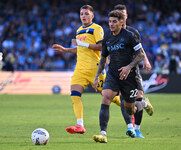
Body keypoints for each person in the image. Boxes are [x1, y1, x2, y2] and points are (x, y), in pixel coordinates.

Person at [51, 5, 122, 134]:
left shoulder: (96, 28)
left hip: (95, 68)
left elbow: (101, 46)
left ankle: (129, 105)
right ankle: (79, 125)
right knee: (75, 95)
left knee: (108, 97)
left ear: (92, 16)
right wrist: (65, 50)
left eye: (86, 13)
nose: (83, 16)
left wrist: (82, 44)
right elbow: (80, 49)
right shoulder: (78, 30)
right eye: (81, 14)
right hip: (80, 69)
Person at [93, 10, 151, 143]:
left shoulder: (130, 36)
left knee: (130, 109)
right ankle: (103, 133)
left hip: (129, 77)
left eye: (114, 22)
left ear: (121, 22)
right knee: (106, 96)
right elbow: (103, 58)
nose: (111, 24)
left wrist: (129, 66)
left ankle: (143, 103)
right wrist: (97, 76)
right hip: (113, 74)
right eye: (110, 21)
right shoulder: (107, 35)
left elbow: (141, 55)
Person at [113, 4, 153, 138]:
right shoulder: (111, 33)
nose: (121, 17)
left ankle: (137, 129)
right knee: (124, 101)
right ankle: (129, 127)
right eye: (119, 14)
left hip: (133, 70)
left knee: (138, 97)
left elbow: (139, 50)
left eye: (123, 15)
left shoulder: (133, 32)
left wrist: (146, 60)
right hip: (118, 71)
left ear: (126, 17)